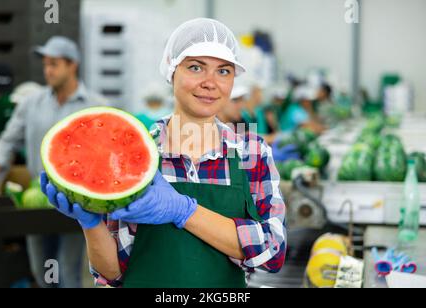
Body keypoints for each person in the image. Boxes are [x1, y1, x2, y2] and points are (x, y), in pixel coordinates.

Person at [41, 18, 287, 288]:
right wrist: (90, 224)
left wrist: (183, 211)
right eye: (196, 67)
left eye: (224, 71)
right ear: (171, 70)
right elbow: (112, 273)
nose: (210, 82)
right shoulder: (132, 155)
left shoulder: (251, 152)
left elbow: (272, 253)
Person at [0, 36, 107, 288]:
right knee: (41, 271)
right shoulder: (31, 104)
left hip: (78, 203)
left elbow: (107, 152)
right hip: (36, 198)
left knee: (68, 272)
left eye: (54, 64)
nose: (47, 70)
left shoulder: (96, 105)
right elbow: (8, 140)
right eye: (45, 64)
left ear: (72, 65)